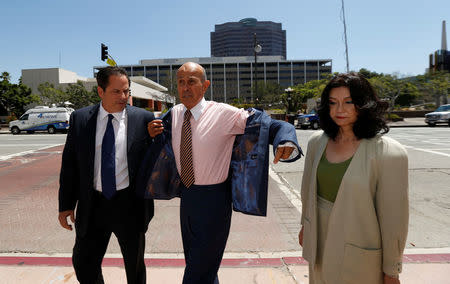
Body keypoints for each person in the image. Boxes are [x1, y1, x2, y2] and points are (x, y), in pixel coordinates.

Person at [141, 62, 302, 284]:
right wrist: (152, 134)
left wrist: (286, 137)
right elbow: (163, 144)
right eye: (180, 82)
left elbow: (267, 125)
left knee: (198, 272)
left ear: (205, 85)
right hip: (187, 198)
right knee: (200, 264)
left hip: (215, 201)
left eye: (191, 82)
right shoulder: (174, 114)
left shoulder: (224, 113)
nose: (185, 88)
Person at [298, 73, 409, 284]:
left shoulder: (389, 153)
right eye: (333, 103)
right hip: (319, 247)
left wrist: (391, 270)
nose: (339, 110)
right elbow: (307, 189)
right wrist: (305, 224)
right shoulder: (316, 143)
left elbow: (394, 219)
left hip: (360, 255)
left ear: (364, 104)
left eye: (348, 102)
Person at [58, 66, 155, 284]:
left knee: (135, 266)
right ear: (101, 91)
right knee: (84, 262)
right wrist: (65, 204)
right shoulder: (81, 119)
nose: (123, 97)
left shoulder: (143, 118)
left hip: (130, 204)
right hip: (93, 205)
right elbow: (70, 165)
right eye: (116, 91)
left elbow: (153, 157)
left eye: (126, 91)